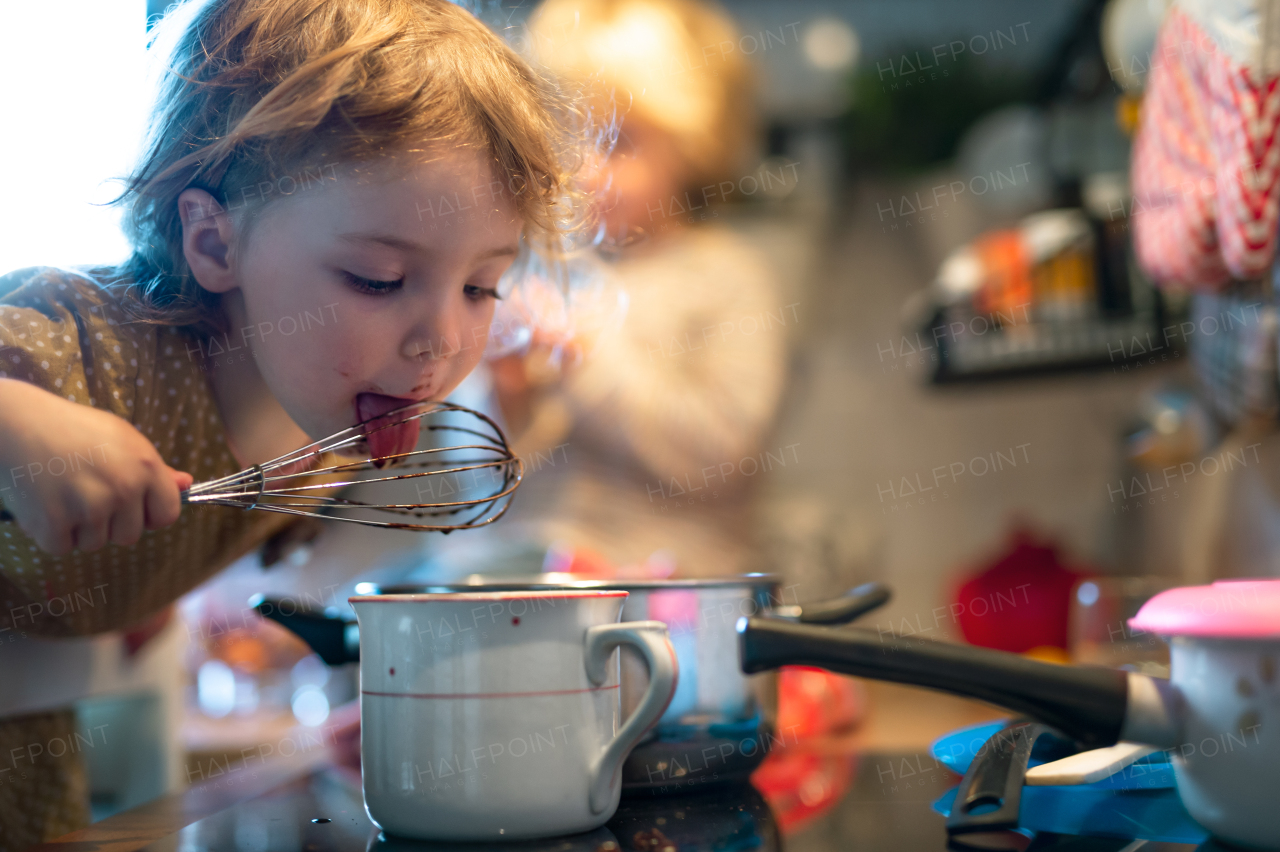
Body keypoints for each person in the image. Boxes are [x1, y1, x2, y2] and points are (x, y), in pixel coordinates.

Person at [0, 0, 588, 846]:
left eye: (481, 286)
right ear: (214, 242)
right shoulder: (80, 355)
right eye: (379, 279)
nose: (442, 340)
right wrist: (16, 423)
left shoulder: (336, 427)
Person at [416, 0, 788, 581]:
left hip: (666, 595)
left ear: (692, 148)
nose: (586, 170)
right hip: (514, 588)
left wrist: (580, 360)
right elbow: (467, 479)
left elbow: (719, 458)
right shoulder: (518, 269)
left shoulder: (726, 277)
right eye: (569, 140)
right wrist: (506, 396)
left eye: (620, 146)